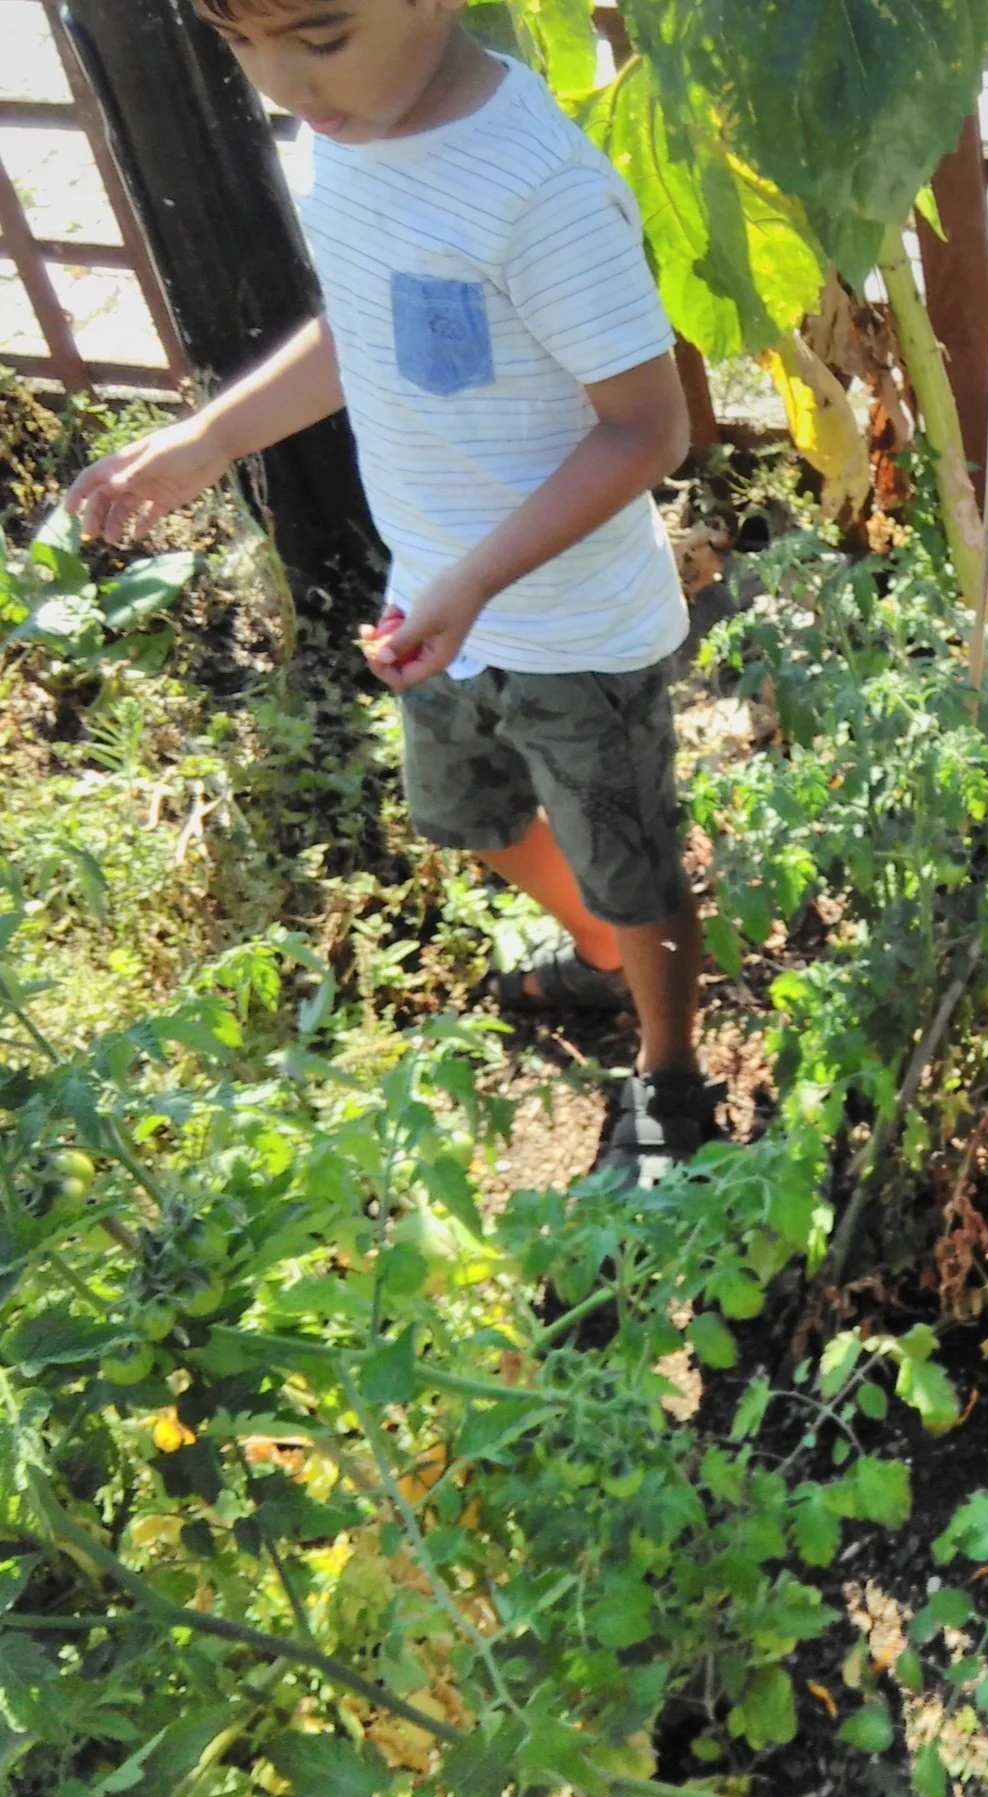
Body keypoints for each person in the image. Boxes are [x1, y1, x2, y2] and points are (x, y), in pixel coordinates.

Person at [65, 0, 716, 1184]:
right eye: (241, 45)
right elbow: (369, 327)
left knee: (635, 860)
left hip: (571, 624)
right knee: (469, 818)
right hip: (439, 597)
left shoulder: (539, 190)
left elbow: (647, 429)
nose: (282, 84)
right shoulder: (348, 134)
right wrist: (209, 441)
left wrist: (474, 578)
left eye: (318, 40)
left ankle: (670, 1069)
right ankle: (599, 949)